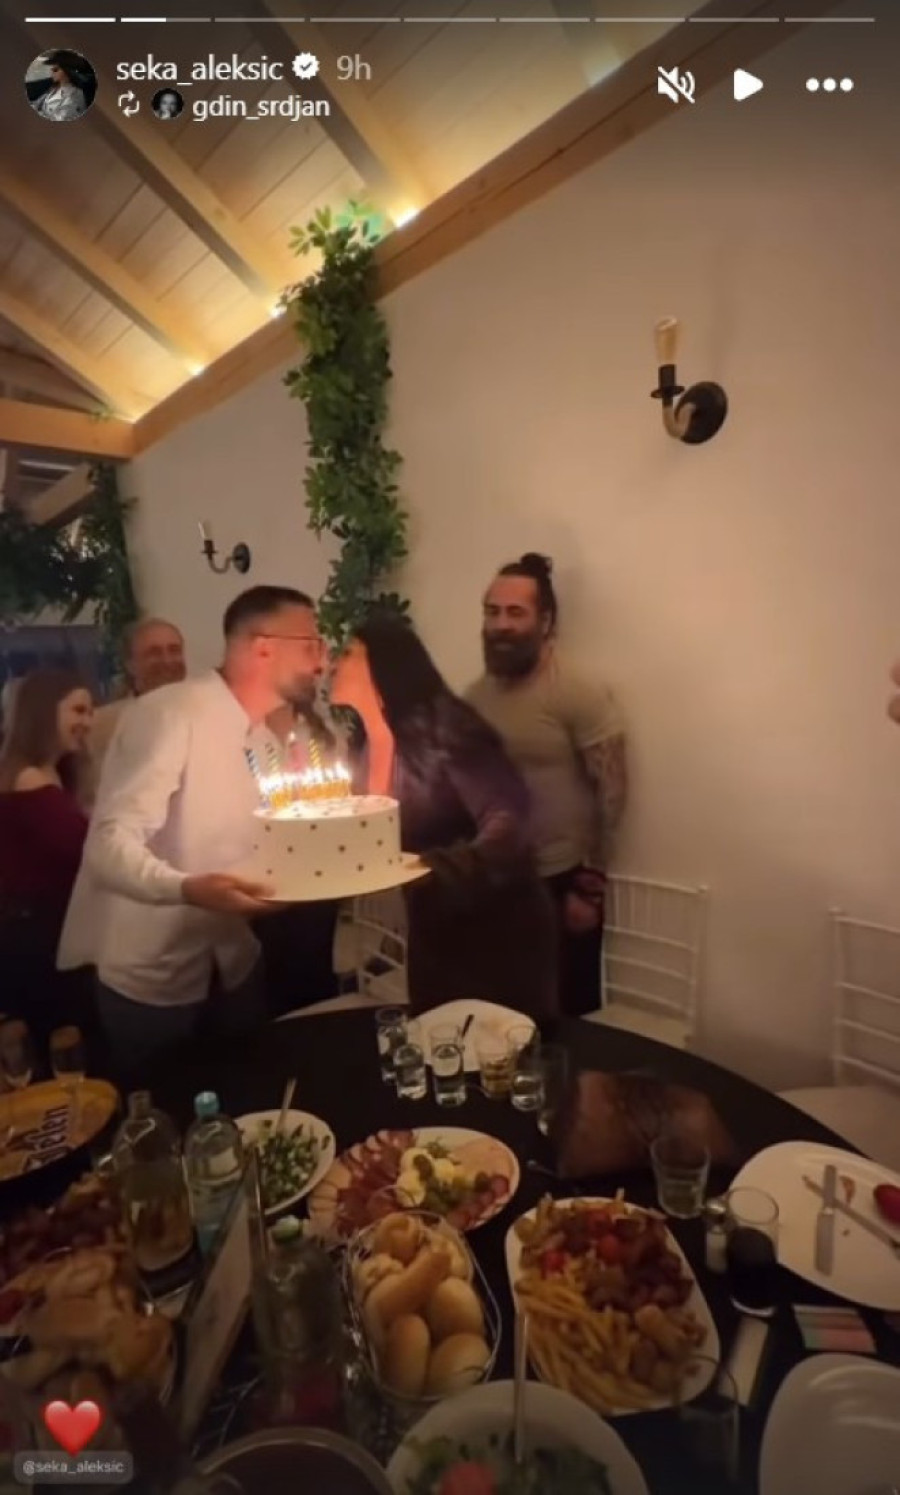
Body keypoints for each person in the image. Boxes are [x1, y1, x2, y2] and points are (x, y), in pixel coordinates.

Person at [58, 585, 326, 1077]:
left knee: (253, 1097)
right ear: (263, 647)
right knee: (170, 1111)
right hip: (154, 979)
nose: (321, 661)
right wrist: (187, 888)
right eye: (311, 643)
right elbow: (108, 845)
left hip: (235, 962)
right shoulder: (170, 714)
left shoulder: (260, 736)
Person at [330, 613, 557, 1017]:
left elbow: (509, 818)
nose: (334, 662)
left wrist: (440, 867)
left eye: (348, 652)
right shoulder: (364, 747)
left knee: (501, 1040)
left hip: (497, 922)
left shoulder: (446, 729)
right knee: (439, 1033)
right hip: (432, 923)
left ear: (384, 663)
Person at [466, 553, 627, 1017]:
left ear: (546, 622)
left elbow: (613, 791)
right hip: (497, 884)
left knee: (569, 1024)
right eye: (492, 611)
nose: (501, 624)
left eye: (516, 612)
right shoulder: (474, 697)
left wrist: (589, 889)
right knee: (501, 1017)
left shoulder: (576, 690)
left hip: (562, 885)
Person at [0, 670, 95, 1044]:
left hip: (46, 925)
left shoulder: (48, 773)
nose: (87, 722)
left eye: (90, 712)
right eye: (78, 711)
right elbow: (82, 848)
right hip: (35, 935)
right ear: (44, 711)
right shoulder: (28, 780)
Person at [251, 695, 346, 1017]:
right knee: (276, 965)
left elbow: (339, 792)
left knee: (316, 957)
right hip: (270, 869)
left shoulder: (320, 731)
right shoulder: (246, 734)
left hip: (319, 866)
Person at [89, 617, 187, 779]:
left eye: (174, 650)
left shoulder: (210, 713)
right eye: (154, 653)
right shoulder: (101, 726)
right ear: (130, 665)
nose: (167, 660)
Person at [31, 51, 92, 122]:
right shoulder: (54, 87)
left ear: (68, 71)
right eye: (51, 69)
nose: (51, 72)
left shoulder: (74, 97)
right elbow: (38, 103)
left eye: (55, 70)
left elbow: (60, 120)